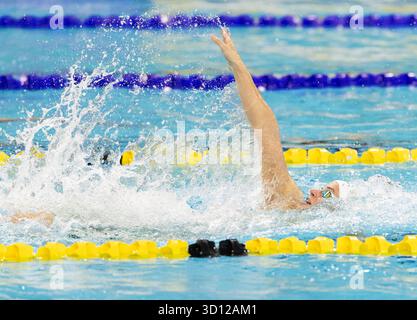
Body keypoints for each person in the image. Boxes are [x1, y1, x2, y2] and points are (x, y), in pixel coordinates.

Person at [211, 28, 350, 210]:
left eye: (327, 194)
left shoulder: (290, 203)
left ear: (335, 208)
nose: (315, 191)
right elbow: (264, 127)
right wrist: (237, 66)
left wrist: (237, 65)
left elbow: (267, 127)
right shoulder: (287, 199)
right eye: (323, 189)